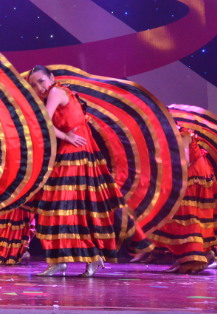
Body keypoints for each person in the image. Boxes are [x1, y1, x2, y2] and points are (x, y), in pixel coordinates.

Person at [26, 65, 142, 277]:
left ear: (51, 78)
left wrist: (66, 136)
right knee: (75, 208)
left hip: (74, 153)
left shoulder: (55, 91)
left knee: (61, 208)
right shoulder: (63, 92)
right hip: (78, 153)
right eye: (33, 85)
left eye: (41, 81)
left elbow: (42, 123)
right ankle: (74, 258)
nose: (38, 87)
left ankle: (70, 259)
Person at [149, 127, 217, 274]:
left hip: (192, 174)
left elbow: (184, 160)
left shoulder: (183, 134)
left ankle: (193, 258)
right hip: (193, 173)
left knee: (186, 216)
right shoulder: (175, 134)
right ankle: (191, 256)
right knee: (190, 216)